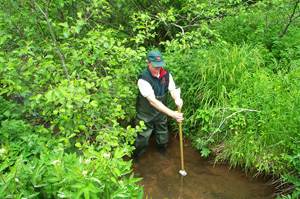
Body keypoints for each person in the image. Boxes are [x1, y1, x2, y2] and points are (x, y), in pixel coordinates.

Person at [133, 50, 184, 164]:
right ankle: (137, 155)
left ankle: (162, 150)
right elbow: (153, 102)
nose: (158, 68)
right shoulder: (143, 79)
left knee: (163, 133)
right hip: (145, 113)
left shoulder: (166, 75)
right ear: (148, 63)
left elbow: (173, 90)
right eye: (155, 66)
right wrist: (172, 114)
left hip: (161, 112)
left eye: (160, 65)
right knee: (143, 135)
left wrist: (177, 99)